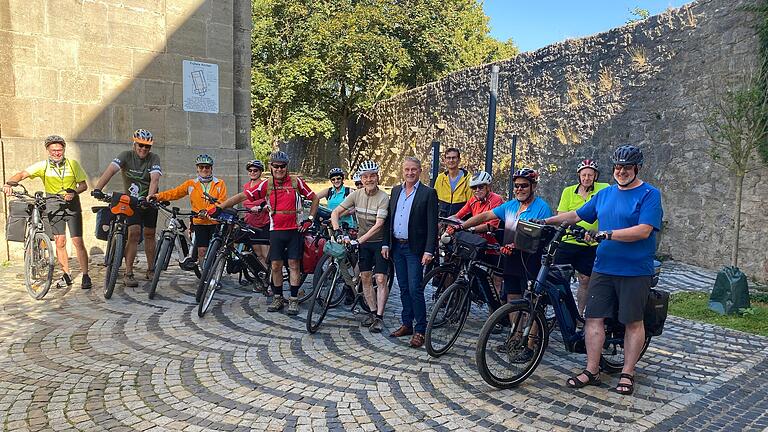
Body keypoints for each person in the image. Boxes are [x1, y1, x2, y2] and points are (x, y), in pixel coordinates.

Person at [541, 145, 663, 396]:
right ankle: (592, 369)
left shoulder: (650, 194)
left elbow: (644, 230)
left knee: (632, 321)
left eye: (626, 167)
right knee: (593, 318)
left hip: (634, 269)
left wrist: (607, 233)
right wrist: (546, 220)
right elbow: (577, 214)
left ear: (637, 168)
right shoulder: (606, 194)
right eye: (618, 167)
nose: (621, 171)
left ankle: (628, 372)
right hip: (603, 267)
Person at [214, 151, 318, 316]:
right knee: (275, 266)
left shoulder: (295, 181)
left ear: (286, 166)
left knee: (293, 265)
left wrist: (310, 219)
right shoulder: (267, 184)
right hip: (276, 231)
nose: (279, 169)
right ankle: (277, 298)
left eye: (282, 166)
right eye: (275, 166)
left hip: (294, 231)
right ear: (271, 166)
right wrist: (220, 207)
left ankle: (293, 300)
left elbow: (314, 198)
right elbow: (242, 196)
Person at [2, 135, 92, 289]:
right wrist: (9, 183)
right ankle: (66, 275)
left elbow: (83, 185)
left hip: (72, 205)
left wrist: (74, 192)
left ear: (63, 149)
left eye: (59, 149)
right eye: (53, 150)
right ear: (48, 151)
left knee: (78, 241)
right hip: (53, 204)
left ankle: (85, 275)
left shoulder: (72, 164)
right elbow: (23, 174)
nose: (57, 153)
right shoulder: (43, 166)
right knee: (59, 241)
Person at [92, 129, 162, 287]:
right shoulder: (125, 155)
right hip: (131, 201)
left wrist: (150, 198)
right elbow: (110, 171)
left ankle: (151, 269)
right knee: (134, 234)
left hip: (149, 200)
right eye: (140, 145)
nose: (144, 149)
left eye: (147, 146)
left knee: (150, 234)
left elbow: (155, 179)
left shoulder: (154, 158)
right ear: (134, 144)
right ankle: (128, 272)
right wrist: (98, 188)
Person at [382, 156, 438, 348]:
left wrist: (429, 250)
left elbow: (432, 226)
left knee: (415, 289)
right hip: (397, 246)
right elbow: (389, 219)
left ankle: (420, 329)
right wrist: (386, 244)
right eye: (406, 170)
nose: (410, 173)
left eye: (413, 170)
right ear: (402, 171)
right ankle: (407, 323)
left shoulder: (428, 193)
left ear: (420, 171)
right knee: (403, 287)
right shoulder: (396, 191)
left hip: (415, 249)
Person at [332, 161, 390, 333]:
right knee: (365, 277)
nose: (369, 179)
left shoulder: (383, 197)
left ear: (378, 177)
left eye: (372, 176)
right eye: (365, 177)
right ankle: (372, 313)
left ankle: (379, 317)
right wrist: (337, 231)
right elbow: (335, 212)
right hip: (363, 242)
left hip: (379, 242)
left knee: (380, 279)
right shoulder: (356, 195)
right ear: (361, 179)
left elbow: (379, 224)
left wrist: (360, 240)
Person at [149, 154, 227, 269]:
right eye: (201, 167)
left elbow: (222, 201)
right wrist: (157, 196)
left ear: (211, 168)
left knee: (215, 250)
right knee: (202, 251)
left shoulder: (219, 183)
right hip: (200, 222)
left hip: (215, 221)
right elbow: (174, 193)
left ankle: (215, 273)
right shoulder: (191, 184)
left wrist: (208, 210)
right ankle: (205, 276)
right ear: (197, 168)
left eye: (207, 167)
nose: (204, 169)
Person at [554, 159, 609, 316]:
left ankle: (579, 313)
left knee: (585, 279)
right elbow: (561, 216)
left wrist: (597, 231)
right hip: (569, 240)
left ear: (595, 176)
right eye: (584, 175)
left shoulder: (604, 189)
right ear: (579, 176)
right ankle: (562, 312)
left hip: (590, 244)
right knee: (558, 278)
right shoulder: (568, 191)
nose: (586, 178)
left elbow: (607, 212)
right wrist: (573, 227)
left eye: (590, 175)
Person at [448, 171, 504, 295]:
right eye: (474, 187)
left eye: (481, 187)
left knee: (497, 282)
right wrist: (444, 222)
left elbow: (492, 225)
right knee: (466, 267)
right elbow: (458, 216)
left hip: (494, 245)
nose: (477, 190)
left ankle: (499, 311)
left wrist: (471, 228)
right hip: (477, 244)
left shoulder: (496, 199)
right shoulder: (473, 200)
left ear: (488, 187)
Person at [242, 160, 270, 273]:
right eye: (250, 170)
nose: (252, 172)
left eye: (255, 170)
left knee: (265, 254)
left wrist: (260, 208)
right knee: (258, 255)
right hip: (251, 224)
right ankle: (264, 278)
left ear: (260, 172)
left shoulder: (265, 185)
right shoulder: (246, 186)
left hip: (263, 223)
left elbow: (271, 203)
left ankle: (272, 280)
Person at [434, 147, 472, 217]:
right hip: (443, 220)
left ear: (459, 160)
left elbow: (471, 203)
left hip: (460, 221)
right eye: (448, 158)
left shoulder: (468, 178)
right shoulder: (440, 178)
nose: (451, 160)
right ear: (445, 160)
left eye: (454, 158)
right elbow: (434, 201)